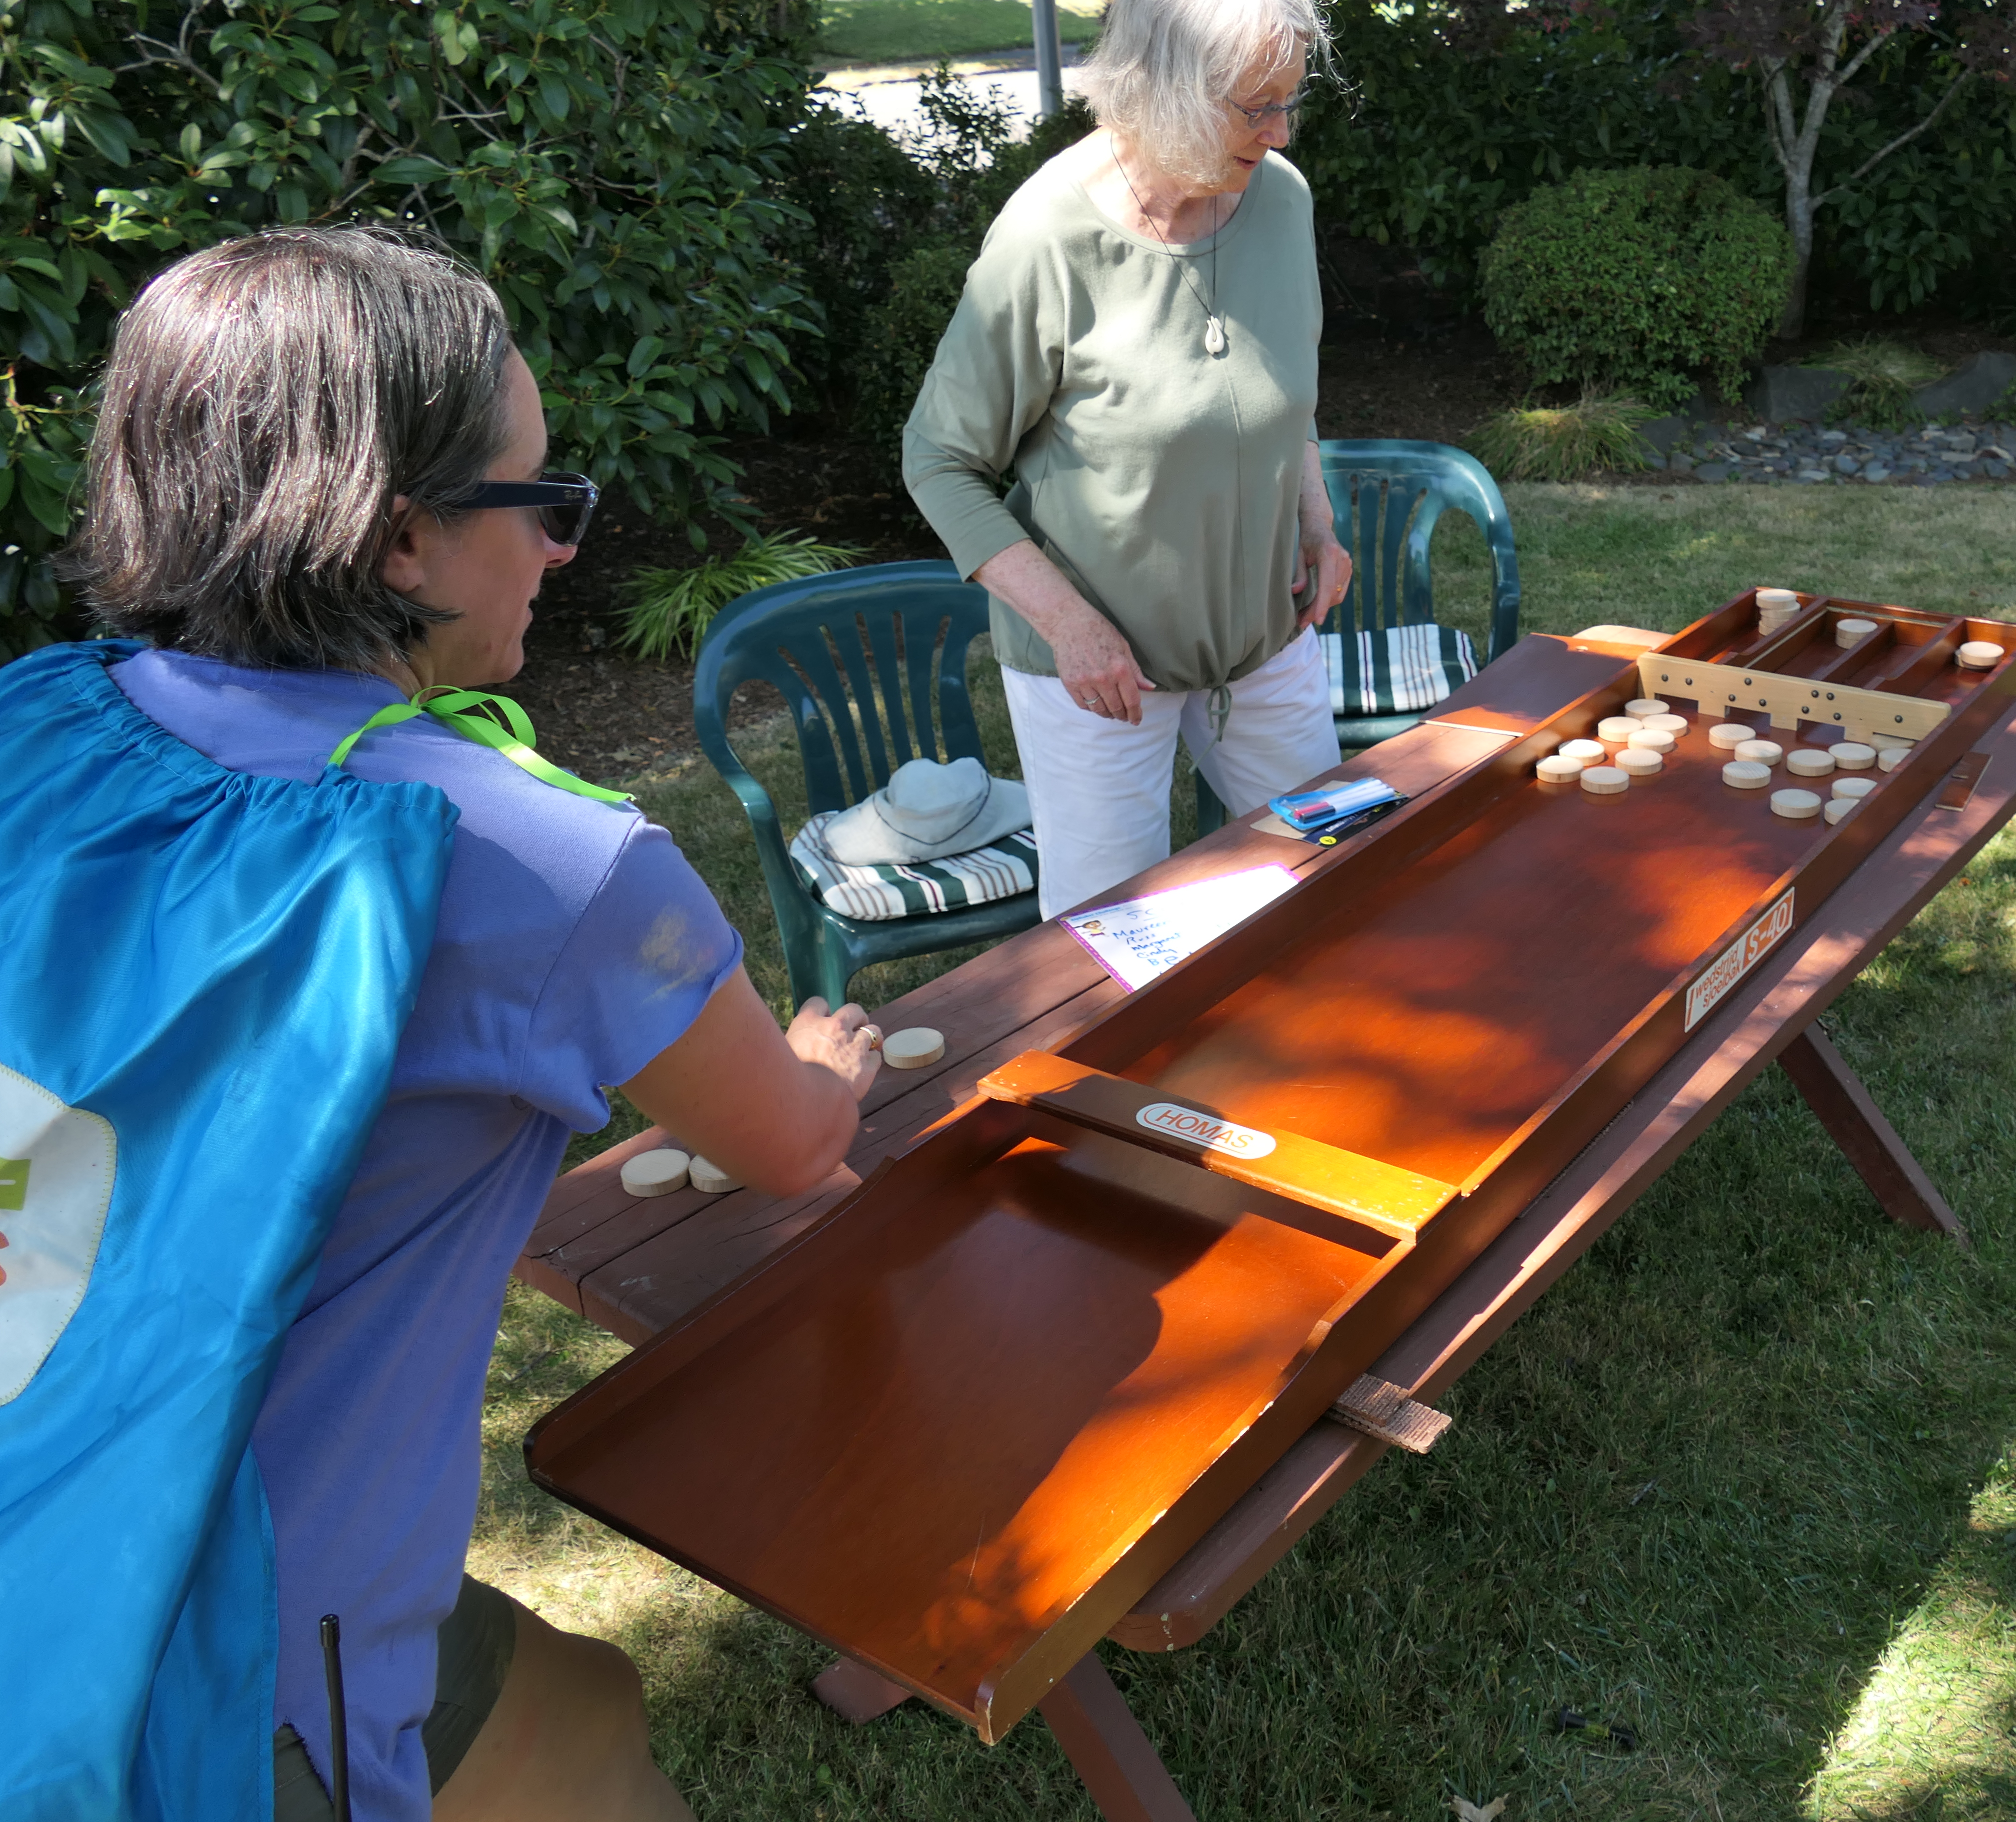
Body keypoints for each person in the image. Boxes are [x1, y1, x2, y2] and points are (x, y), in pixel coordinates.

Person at [41, 227, 887, 1821]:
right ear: (401, 545)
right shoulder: (529, 862)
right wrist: (829, 1061)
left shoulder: (45, 722)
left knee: (587, 1696)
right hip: (213, 1659)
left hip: (54, 1509)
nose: (566, 550)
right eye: (543, 503)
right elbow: (785, 1143)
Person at [901, 0, 1352, 919]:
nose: (1281, 130)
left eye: (1288, 103)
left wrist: (1316, 523)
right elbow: (940, 461)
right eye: (1254, 108)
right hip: (1100, 673)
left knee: (1332, 877)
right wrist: (1072, 627)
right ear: (1166, 93)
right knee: (1112, 936)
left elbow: (1285, 397)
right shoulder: (1046, 241)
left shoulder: (1283, 198)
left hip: (1270, 638)